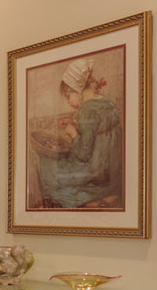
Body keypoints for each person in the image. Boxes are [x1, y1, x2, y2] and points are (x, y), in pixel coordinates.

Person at [36, 58, 122, 208]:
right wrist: (76, 126)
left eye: (68, 97)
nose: (68, 102)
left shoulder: (86, 110)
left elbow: (83, 154)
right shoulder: (106, 103)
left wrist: (72, 132)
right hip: (113, 171)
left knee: (46, 165)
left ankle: (91, 199)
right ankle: (108, 194)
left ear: (76, 91)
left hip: (97, 172)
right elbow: (98, 133)